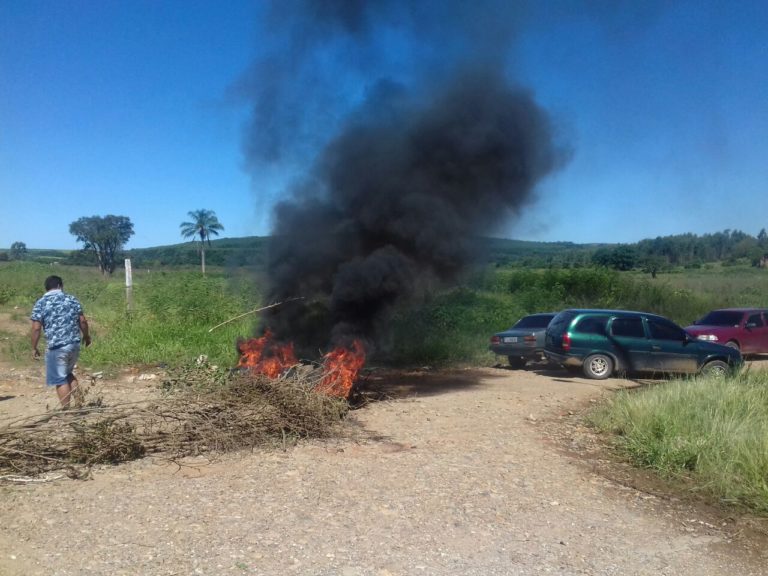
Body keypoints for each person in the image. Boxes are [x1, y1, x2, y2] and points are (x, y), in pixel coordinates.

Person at [30, 275, 92, 409]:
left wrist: (34, 347)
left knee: (59, 378)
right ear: (60, 286)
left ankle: (66, 412)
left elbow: (36, 328)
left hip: (56, 347)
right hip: (74, 345)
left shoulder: (41, 303)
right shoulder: (71, 299)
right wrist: (86, 337)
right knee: (67, 373)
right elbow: (82, 321)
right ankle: (79, 404)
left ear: (46, 288)